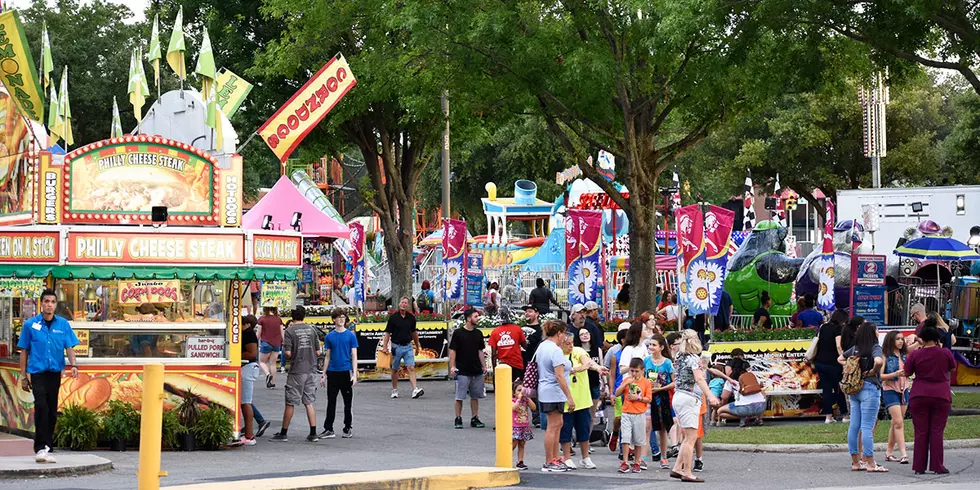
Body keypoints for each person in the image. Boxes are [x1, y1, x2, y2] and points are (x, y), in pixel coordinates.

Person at [18, 288, 79, 463]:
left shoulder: (63, 325)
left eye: (52, 302)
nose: (49, 305)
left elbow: (69, 347)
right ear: (41, 303)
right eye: (46, 301)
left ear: (56, 305)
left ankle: (47, 446)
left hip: (54, 373)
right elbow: (24, 351)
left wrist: (73, 365)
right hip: (37, 373)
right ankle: (40, 448)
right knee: (41, 407)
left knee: (52, 411)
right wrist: (23, 376)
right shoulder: (30, 325)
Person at [903, 325, 956, 475]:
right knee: (937, 431)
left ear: (922, 339)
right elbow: (952, 368)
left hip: (919, 394)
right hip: (940, 394)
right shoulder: (944, 353)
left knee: (920, 432)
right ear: (937, 338)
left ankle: (919, 466)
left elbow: (907, 371)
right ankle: (937, 466)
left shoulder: (916, 355)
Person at [670, 329, 721, 483]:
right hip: (690, 398)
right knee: (690, 438)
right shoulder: (693, 359)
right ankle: (687, 471)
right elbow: (699, 379)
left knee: (687, 436)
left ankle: (677, 468)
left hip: (679, 396)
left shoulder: (680, 356)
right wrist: (710, 395)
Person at [839, 321, 886, 472]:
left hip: (855, 389)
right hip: (870, 388)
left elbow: (839, 359)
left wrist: (852, 367)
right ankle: (871, 463)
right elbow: (878, 360)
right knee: (867, 427)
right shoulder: (875, 347)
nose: (878, 332)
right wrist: (874, 370)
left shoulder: (855, 349)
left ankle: (855, 462)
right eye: (877, 330)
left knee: (854, 426)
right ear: (872, 333)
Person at [270, 306, 322, 442]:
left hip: (297, 369)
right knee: (309, 402)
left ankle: (283, 433)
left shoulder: (290, 331)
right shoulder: (312, 330)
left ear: (292, 316)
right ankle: (313, 433)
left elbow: (287, 352)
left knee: (290, 402)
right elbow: (318, 352)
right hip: (311, 369)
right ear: (304, 315)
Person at [559, 331, 606, 469]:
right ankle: (567, 457)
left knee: (584, 430)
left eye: (572, 343)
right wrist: (577, 369)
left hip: (582, 399)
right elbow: (563, 372)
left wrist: (597, 368)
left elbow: (588, 362)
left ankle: (585, 457)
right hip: (566, 400)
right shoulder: (558, 355)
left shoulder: (578, 351)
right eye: (567, 344)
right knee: (566, 430)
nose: (571, 346)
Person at [537, 320, 575, 472]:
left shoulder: (543, 346)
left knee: (557, 424)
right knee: (553, 426)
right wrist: (570, 397)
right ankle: (549, 460)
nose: (565, 337)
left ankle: (554, 457)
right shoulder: (555, 350)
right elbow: (559, 375)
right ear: (559, 333)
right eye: (564, 333)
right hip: (553, 392)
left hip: (547, 390)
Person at [319, 308, 358, 439]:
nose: (341, 319)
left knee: (348, 402)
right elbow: (327, 356)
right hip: (333, 371)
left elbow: (354, 355)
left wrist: (355, 373)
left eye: (343, 317)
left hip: (346, 371)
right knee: (331, 401)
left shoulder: (351, 336)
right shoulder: (329, 336)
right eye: (338, 317)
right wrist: (323, 374)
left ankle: (348, 427)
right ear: (334, 319)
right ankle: (328, 428)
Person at [450, 308, 488, 429]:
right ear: (468, 318)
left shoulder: (478, 333)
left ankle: (474, 417)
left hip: (476, 369)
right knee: (459, 396)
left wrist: (484, 365)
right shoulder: (458, 333)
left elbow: (480, 351)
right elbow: (453, 351)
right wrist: (452, 366)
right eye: (475, 316)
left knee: (475, 396)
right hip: (462, 369)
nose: (478, 318)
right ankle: (458, 418)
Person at [381, 297, 424, 399]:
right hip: (396, 347)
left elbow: (414, 333)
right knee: (395, 369)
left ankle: (414, 389)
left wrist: (417, 346)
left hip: (408, 346)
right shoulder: (393, 318)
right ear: (399, 304)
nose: (404, 304)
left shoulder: (411, 318)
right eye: (402, 302)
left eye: (406, 303)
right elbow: (387, 333)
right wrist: (384, 347)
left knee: (411, 367)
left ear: (408, 305)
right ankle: (394, 390)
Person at [616, 358, 652, 473]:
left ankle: (637, 462)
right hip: (627, 413)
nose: (634, 373)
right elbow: (617, 393)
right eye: (632, 371)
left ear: (642, 370)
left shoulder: (646, 383)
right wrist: (625, 384)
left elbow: (648, 399)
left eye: (637, 371)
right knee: (625, 438)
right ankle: (625, 462)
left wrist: (639, 398)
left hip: (639, 414)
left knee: (638, 439)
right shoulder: (628, 379)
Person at [813, 310, 850, 424]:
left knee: (827, 390)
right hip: (833, 363)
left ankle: (828, 417)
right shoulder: (837, 329)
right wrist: (843, 358)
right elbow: (838, 346)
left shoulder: (823, 327)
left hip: (820, 362)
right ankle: (845, 415)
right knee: (838, 389)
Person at [644, 334, 674, 470]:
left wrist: (661, 388)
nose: (651, 347)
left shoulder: (667, 362)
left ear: (661, 347)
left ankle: (663, 457)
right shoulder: (646, 361)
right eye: (650, 344)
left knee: (662, 428)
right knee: (646, 427)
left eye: (654, 345)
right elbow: (640, 377)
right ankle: (642, 457)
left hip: (662, 397)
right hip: (647, 397)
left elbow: (674, 382)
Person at [880, 330, 909, 464]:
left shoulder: (904, 355)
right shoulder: (885, 355)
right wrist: (895, 373)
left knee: (896, 422)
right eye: (897, 339)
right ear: (891, 340)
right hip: (890, 390)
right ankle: (904, 454)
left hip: (904, 390)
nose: (900, 341)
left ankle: (889, 452)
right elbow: (880, 376)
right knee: (898, 422)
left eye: (902, 339)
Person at [715, 357, 766, 425]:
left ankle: (743, 417)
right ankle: (759, 419)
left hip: (743, 407)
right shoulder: (753, 376)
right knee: (760, 397)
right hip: (761, 407)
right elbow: (762, 391)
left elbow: (724, 397)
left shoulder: (731, 380)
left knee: (720, 412)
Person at [605, 325, 629, 452]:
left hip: (631, 389)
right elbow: (612, 375)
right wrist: (612, 392)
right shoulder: (616, 355)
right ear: (622, 340)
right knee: (619, 417)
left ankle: (625, 447)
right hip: (619, 389)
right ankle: (615, 432)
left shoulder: (634, 353)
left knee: (628, 418)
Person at [237, 315, 260, 446]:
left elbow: (252, 353)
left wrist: (235, 354)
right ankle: (248, 434)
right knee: (244, 402)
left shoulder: (249, 334)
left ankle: (249, 436)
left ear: (246, 324)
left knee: (246, 402)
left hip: (248, 368)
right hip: (246, 368)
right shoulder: (247, 333)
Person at [521, 304, 544, 426]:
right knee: (523, 391)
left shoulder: (541, 330)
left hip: (536, 363)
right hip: (521, 363)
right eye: (526, 312)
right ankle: (522, 416)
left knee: (536, 391)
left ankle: (538, 416)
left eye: (530, 311)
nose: (527, 313)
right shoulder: (520, 328)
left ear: (537, 314)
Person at [490, 308, 527, 381]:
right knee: (517, 389)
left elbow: (493, 354)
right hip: (517, 364)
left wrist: (495, 370)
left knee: (503, 390)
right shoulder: (517, 329)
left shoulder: (495, 332)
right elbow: (525, 346)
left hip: (502, 366)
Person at [512, 377, 537, 471]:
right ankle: (506, 458)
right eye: (519, 390)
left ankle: (520, 461)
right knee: (513, 444)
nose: (521, 393)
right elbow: (514, 408)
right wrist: (518, 399)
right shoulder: (513, 401)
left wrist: (528, 399)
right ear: (514, 392)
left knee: (522, 444)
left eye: (523, 391)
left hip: (524, 426)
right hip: (515, 426)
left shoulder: (526, 401)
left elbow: (534, 407)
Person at [257, 307, 284, 389]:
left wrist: (254, 341)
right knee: (273, 363)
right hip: (276, 344)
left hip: (266, 343)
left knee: (262, 362)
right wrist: (284, 342)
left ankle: (268, 374)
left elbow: (258, 333)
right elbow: (282, 332)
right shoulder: (278, 319)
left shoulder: (262, 319)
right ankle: (272, 383)